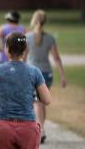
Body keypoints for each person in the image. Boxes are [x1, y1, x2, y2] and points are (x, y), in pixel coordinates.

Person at [0, 32, 51, 149]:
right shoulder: (34, 72)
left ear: (7, 49)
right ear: (25, 50)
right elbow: (47, 100)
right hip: (28, 128)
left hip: (4, 127)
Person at [26, 10, 67, 144]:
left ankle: (40, 130)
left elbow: (23, 58)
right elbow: (56, 58)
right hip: (47, 74)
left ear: (34, 20)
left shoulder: (27, 37)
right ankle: (42, 129)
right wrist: (62, 76)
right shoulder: (50, 38)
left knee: (37, 103)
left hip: (33, 74)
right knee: (41, 103)